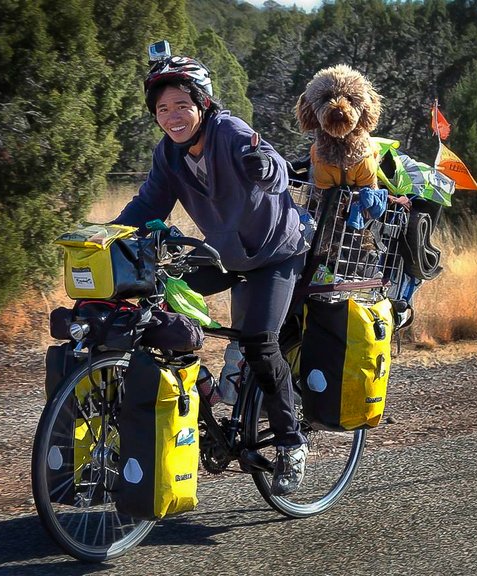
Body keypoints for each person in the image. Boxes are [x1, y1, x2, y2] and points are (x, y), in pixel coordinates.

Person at [112, 47, 309, 496]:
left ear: (202, 103)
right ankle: (203, 385)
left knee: (260, 341)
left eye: (182, 104)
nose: (172, 115)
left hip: (275, 254)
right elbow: (148, 205)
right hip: (222, 254)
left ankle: (291, 443)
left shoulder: (229, 130)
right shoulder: (170, 155)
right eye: (163, 108)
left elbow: (275, 166)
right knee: (151, 302)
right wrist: (108, 233)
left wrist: (266, 169)